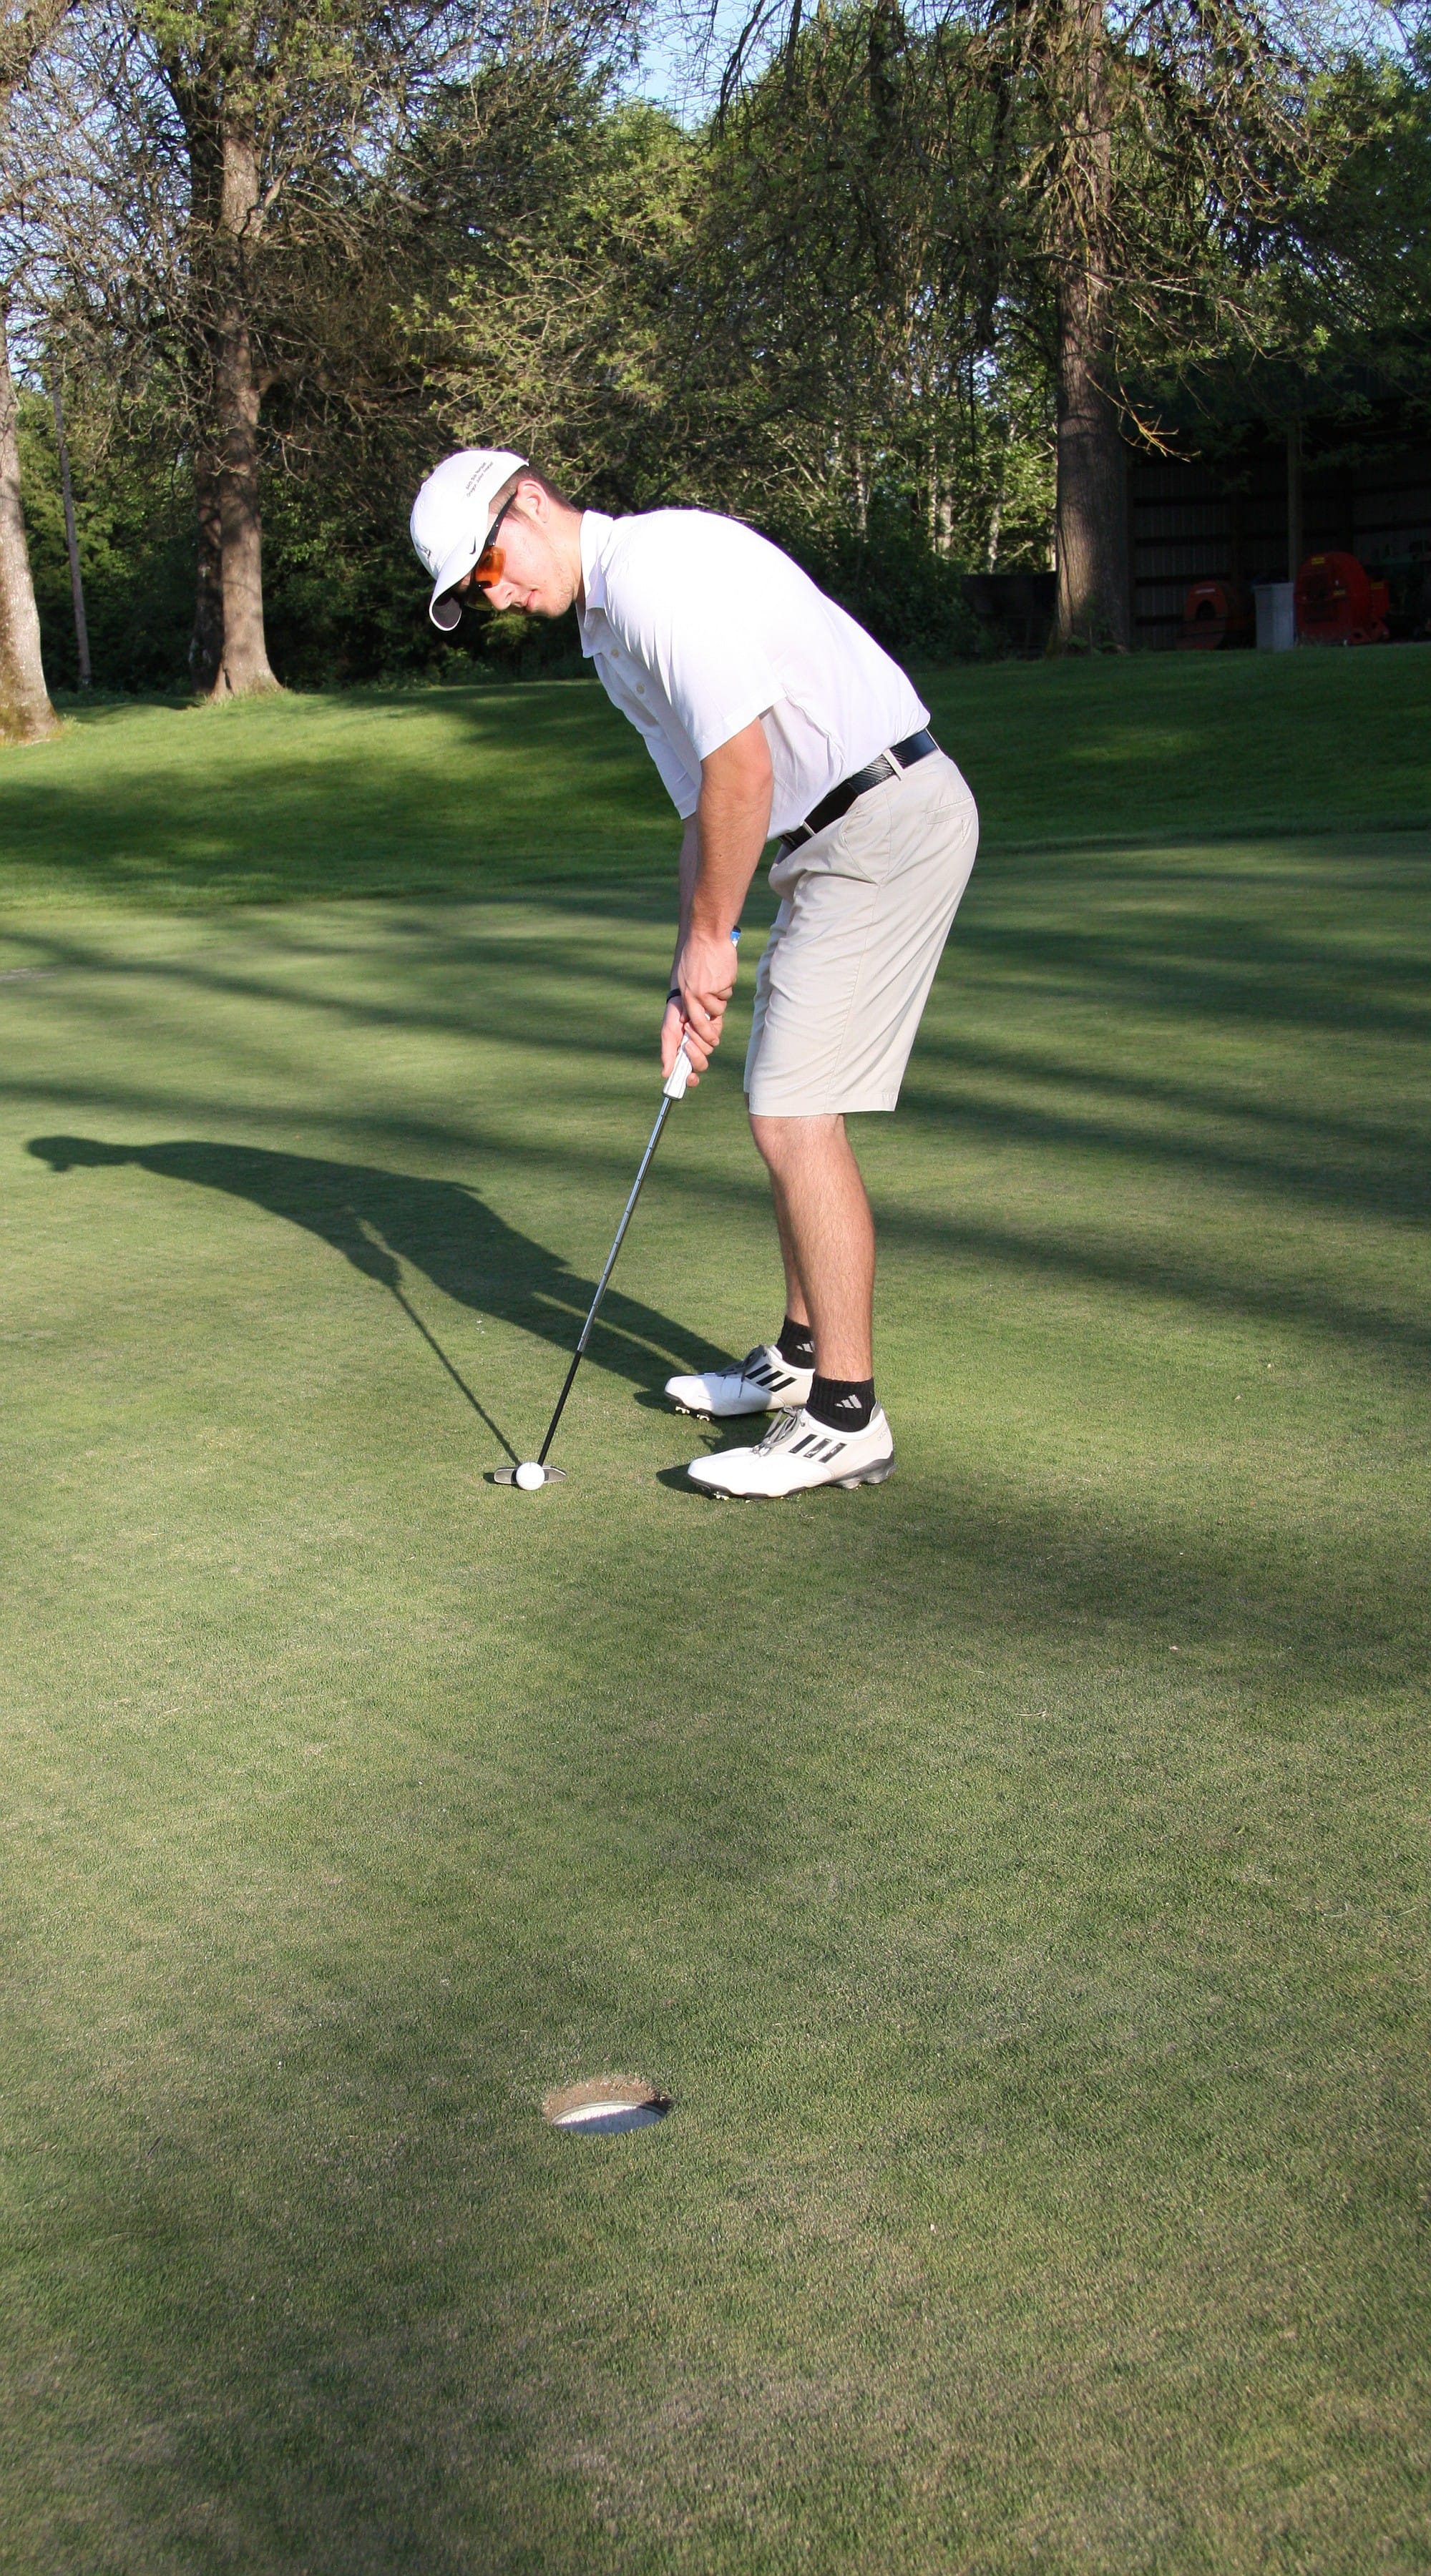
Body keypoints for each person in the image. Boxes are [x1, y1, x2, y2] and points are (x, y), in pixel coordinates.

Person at [409, 449, 979, 1499]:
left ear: (529, 504)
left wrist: (717, 937)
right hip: (828, 840)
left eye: (489, 568)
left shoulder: (655, 574)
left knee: (793, 1113)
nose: (498, 596)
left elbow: (743, 772)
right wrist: (689, 967)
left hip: (885, 815)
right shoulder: (609, 631)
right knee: (782, 1098)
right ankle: (802, 1358)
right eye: (477, 593)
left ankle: (846, 1414)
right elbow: (700, 812)